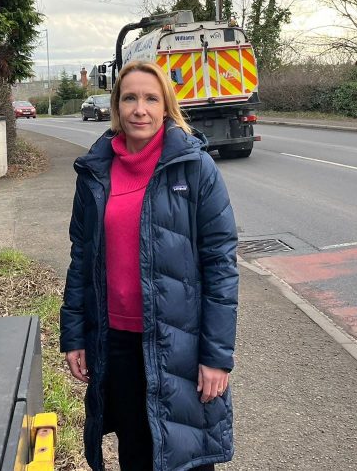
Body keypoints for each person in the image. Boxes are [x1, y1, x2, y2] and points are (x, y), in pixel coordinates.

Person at [59, 60, 239, 471]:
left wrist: (216, 357)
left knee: (186, 456)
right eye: (130, 98)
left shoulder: (195, 169)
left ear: (166, 107)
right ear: (117, 107)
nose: (140, 108)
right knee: (136, 452)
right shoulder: (95, 172)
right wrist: (73, 336)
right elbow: (81, 259)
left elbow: (221, 268)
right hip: (117, 342)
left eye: (150, 98)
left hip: (180, 344)